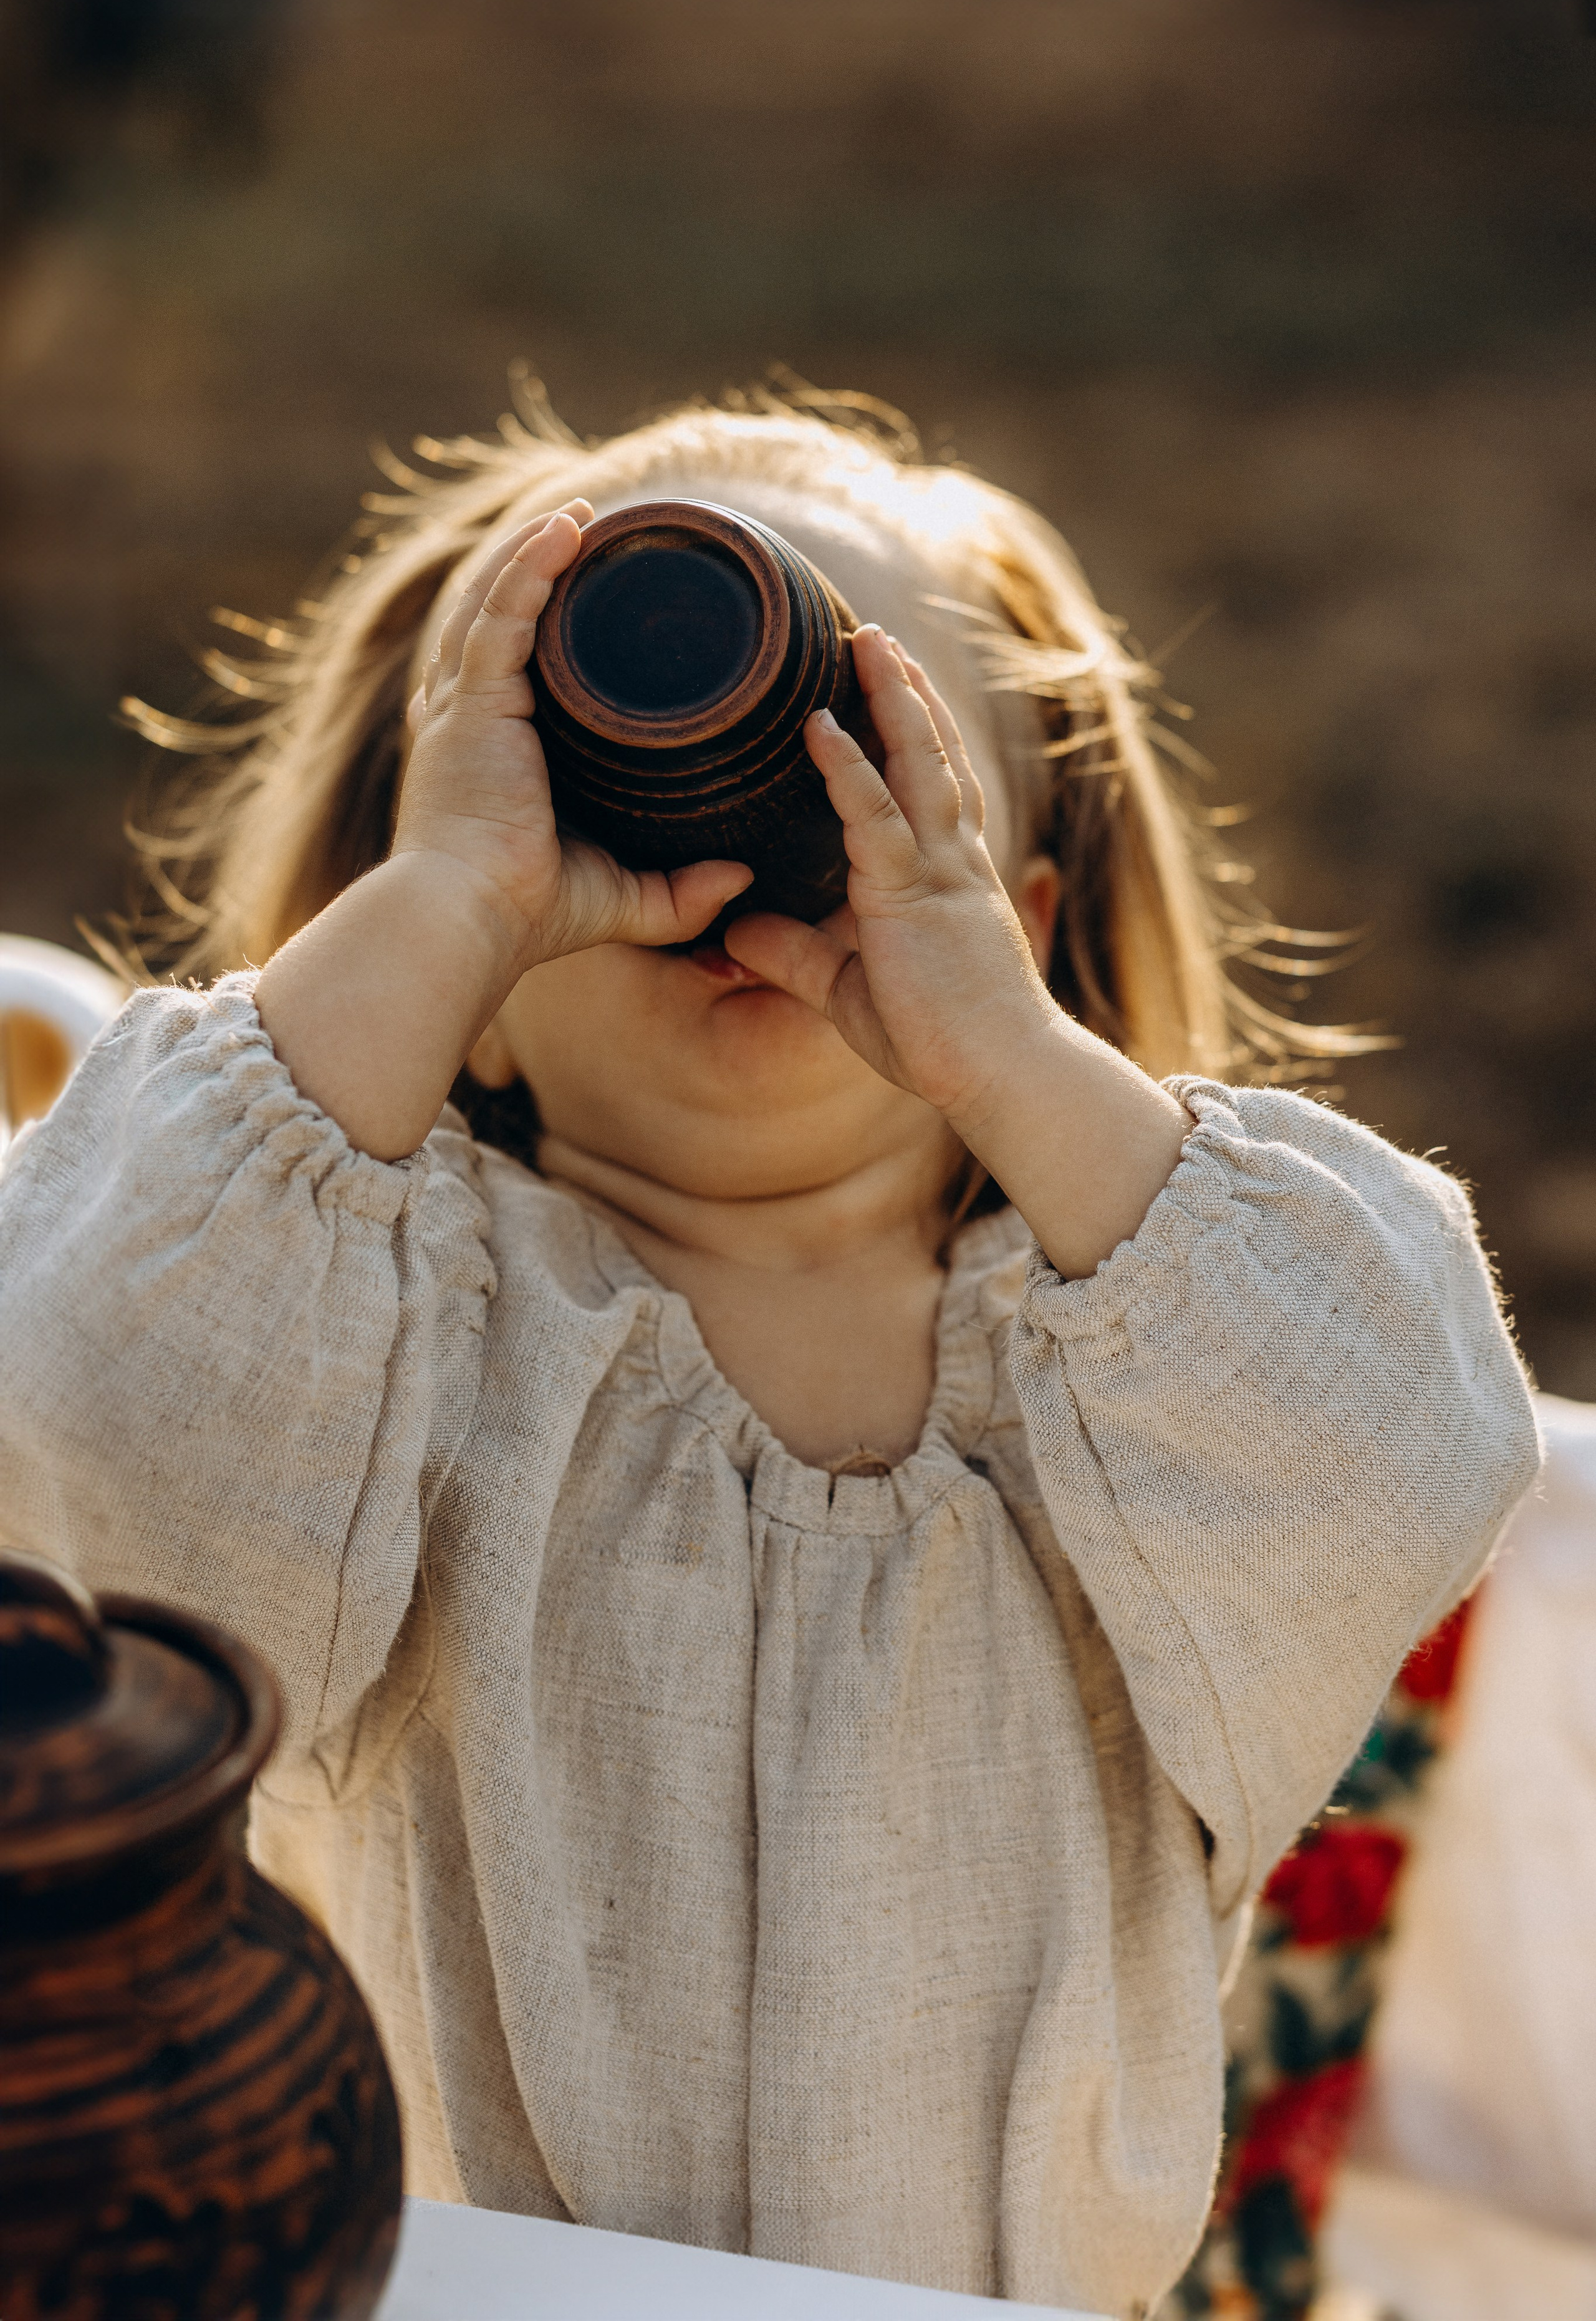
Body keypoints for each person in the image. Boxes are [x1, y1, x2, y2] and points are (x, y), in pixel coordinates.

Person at [0, 386, 1537, 2320]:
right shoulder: (380, 1348)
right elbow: (76, 1416)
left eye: (871, 760)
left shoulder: (1131, 1371)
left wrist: (1014, 1052)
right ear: (457, 1006)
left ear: (1029, 932)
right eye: (575, 777)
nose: (757, 830)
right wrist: (451, 897)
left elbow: (1409, 1448)